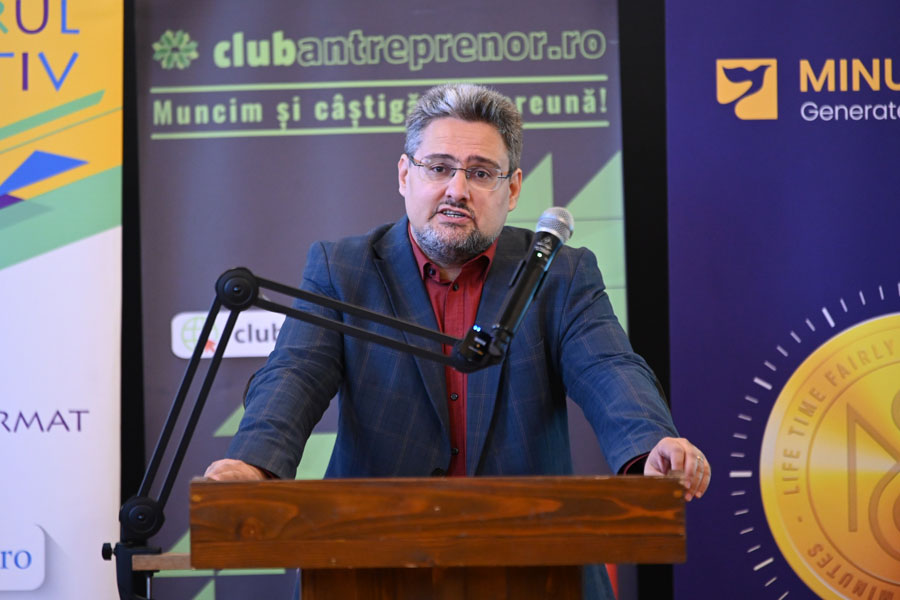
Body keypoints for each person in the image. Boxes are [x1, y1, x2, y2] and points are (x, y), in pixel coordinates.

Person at [205, 83, 710, 599]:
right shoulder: (344, 269)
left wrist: (651, 445)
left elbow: (609, 367)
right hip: (371, 562)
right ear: (405, 175)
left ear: (513, 189)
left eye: (481, 173)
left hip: (533, 562)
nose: (457, 190)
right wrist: (253, 465)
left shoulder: (558, 272)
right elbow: (296, 373)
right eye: (439, 168)